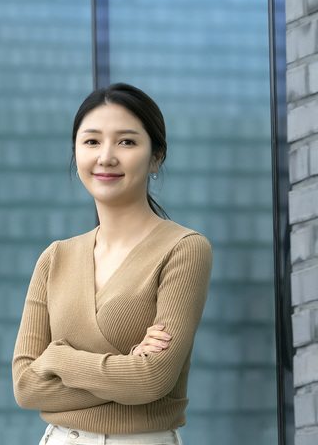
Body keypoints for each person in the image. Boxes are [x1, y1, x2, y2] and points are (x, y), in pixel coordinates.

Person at [12, 83, 212, 445]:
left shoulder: (183, 249)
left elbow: (152, 379)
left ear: (156, 158)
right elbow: (26, 386)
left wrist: (59, 359)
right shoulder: (55, 258)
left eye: (127, 142)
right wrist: (128, 370)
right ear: (76, 153)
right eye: (91, 142)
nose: (106, 156)